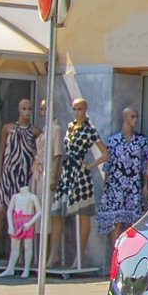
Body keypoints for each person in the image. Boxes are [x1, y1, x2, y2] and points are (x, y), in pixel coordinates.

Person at [49, 97, 108, 269]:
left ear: (85, 110)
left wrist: (90, 166)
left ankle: (79, 255)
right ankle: (54, 254)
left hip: (80, 173)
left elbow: (104, 153)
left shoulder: (90, 130)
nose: (77, 112)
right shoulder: (69, 127)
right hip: (67, 172)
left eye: (80, 109)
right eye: (75, 109)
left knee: (82, 213)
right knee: (56, 212)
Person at [95, 107, 148, 248]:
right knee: (116, 222)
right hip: (116, 185)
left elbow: (144, 163)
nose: (135, 120)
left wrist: (145, 184)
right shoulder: (114, 141)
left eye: (136, 116)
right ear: (124, 117)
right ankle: (115, 256)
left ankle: (128, 256)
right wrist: (106, 185)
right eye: (132, 116)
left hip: (133, 186)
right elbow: (108, 164)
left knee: (133, 223)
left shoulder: (141, 141)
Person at [0, 97, 38, 263]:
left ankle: (21, 258)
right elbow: (1, 153)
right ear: (19, 109)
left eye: (29, 109)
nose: (26, 112)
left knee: (22, 215)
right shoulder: (8, 128)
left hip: (23, 177)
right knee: (1, 211)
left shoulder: (34, 131)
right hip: (8, 175)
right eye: (24, 108)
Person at [0, 184, 40, 278]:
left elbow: (39, 211)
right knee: (14, 247)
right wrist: (10, 225)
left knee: (27, 246)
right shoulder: (15, 197)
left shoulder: (32, 197)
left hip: (27, 222)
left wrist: (29, 223)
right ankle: (10, 268)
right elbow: (9, 211)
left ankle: (26, 269)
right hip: (16, 221)